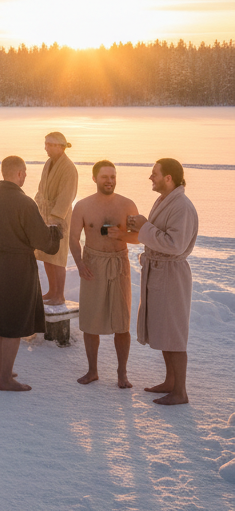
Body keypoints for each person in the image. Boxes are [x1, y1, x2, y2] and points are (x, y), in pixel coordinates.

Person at [0, 156, 62, 391]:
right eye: (24, 172)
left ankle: (1, 371)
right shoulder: (24, 202)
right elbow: (40, 239)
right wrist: (55, 233)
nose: (25, 176)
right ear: (18, 173)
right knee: (13, 320)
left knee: (0, 318)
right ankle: (6, 379)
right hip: (17, 264)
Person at [121, 158, 199, 406]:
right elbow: (156, 233)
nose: (150, 177)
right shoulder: (165, 200)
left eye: (154, 173)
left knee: (174, 333)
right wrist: (140, 226)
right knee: (165, 331)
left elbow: (175, 245)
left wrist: (144, 226)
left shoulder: (182, 206)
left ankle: (180, 392)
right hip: (158, 272)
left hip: (171, 274)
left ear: (168, 178)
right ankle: (170, 381)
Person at [69, 161, 138, 388]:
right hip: (93, 264)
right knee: (91, 321)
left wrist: (121, 235)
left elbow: (138, 237)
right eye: (105, 177)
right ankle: (92, 371)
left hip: (119, 263)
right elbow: (73, 238)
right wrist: (80, 264)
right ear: (94, 178)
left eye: (112, 176)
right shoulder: (83, 206)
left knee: (122, 322)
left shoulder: (127, 205)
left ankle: (122, 373)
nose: (109, 181)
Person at [34, 131, 78, 305]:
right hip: (45, 215)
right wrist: (36, 207)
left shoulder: (69, 168)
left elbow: (67, 195)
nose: (46, 148)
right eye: (46, 144)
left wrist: (55, 218)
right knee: (47, 254)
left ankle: (59, 295)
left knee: (58, 258)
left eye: (50, 145)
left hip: (59, 218)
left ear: (60, 146)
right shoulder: (48, 163)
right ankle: (51, 291)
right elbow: (41, 189)